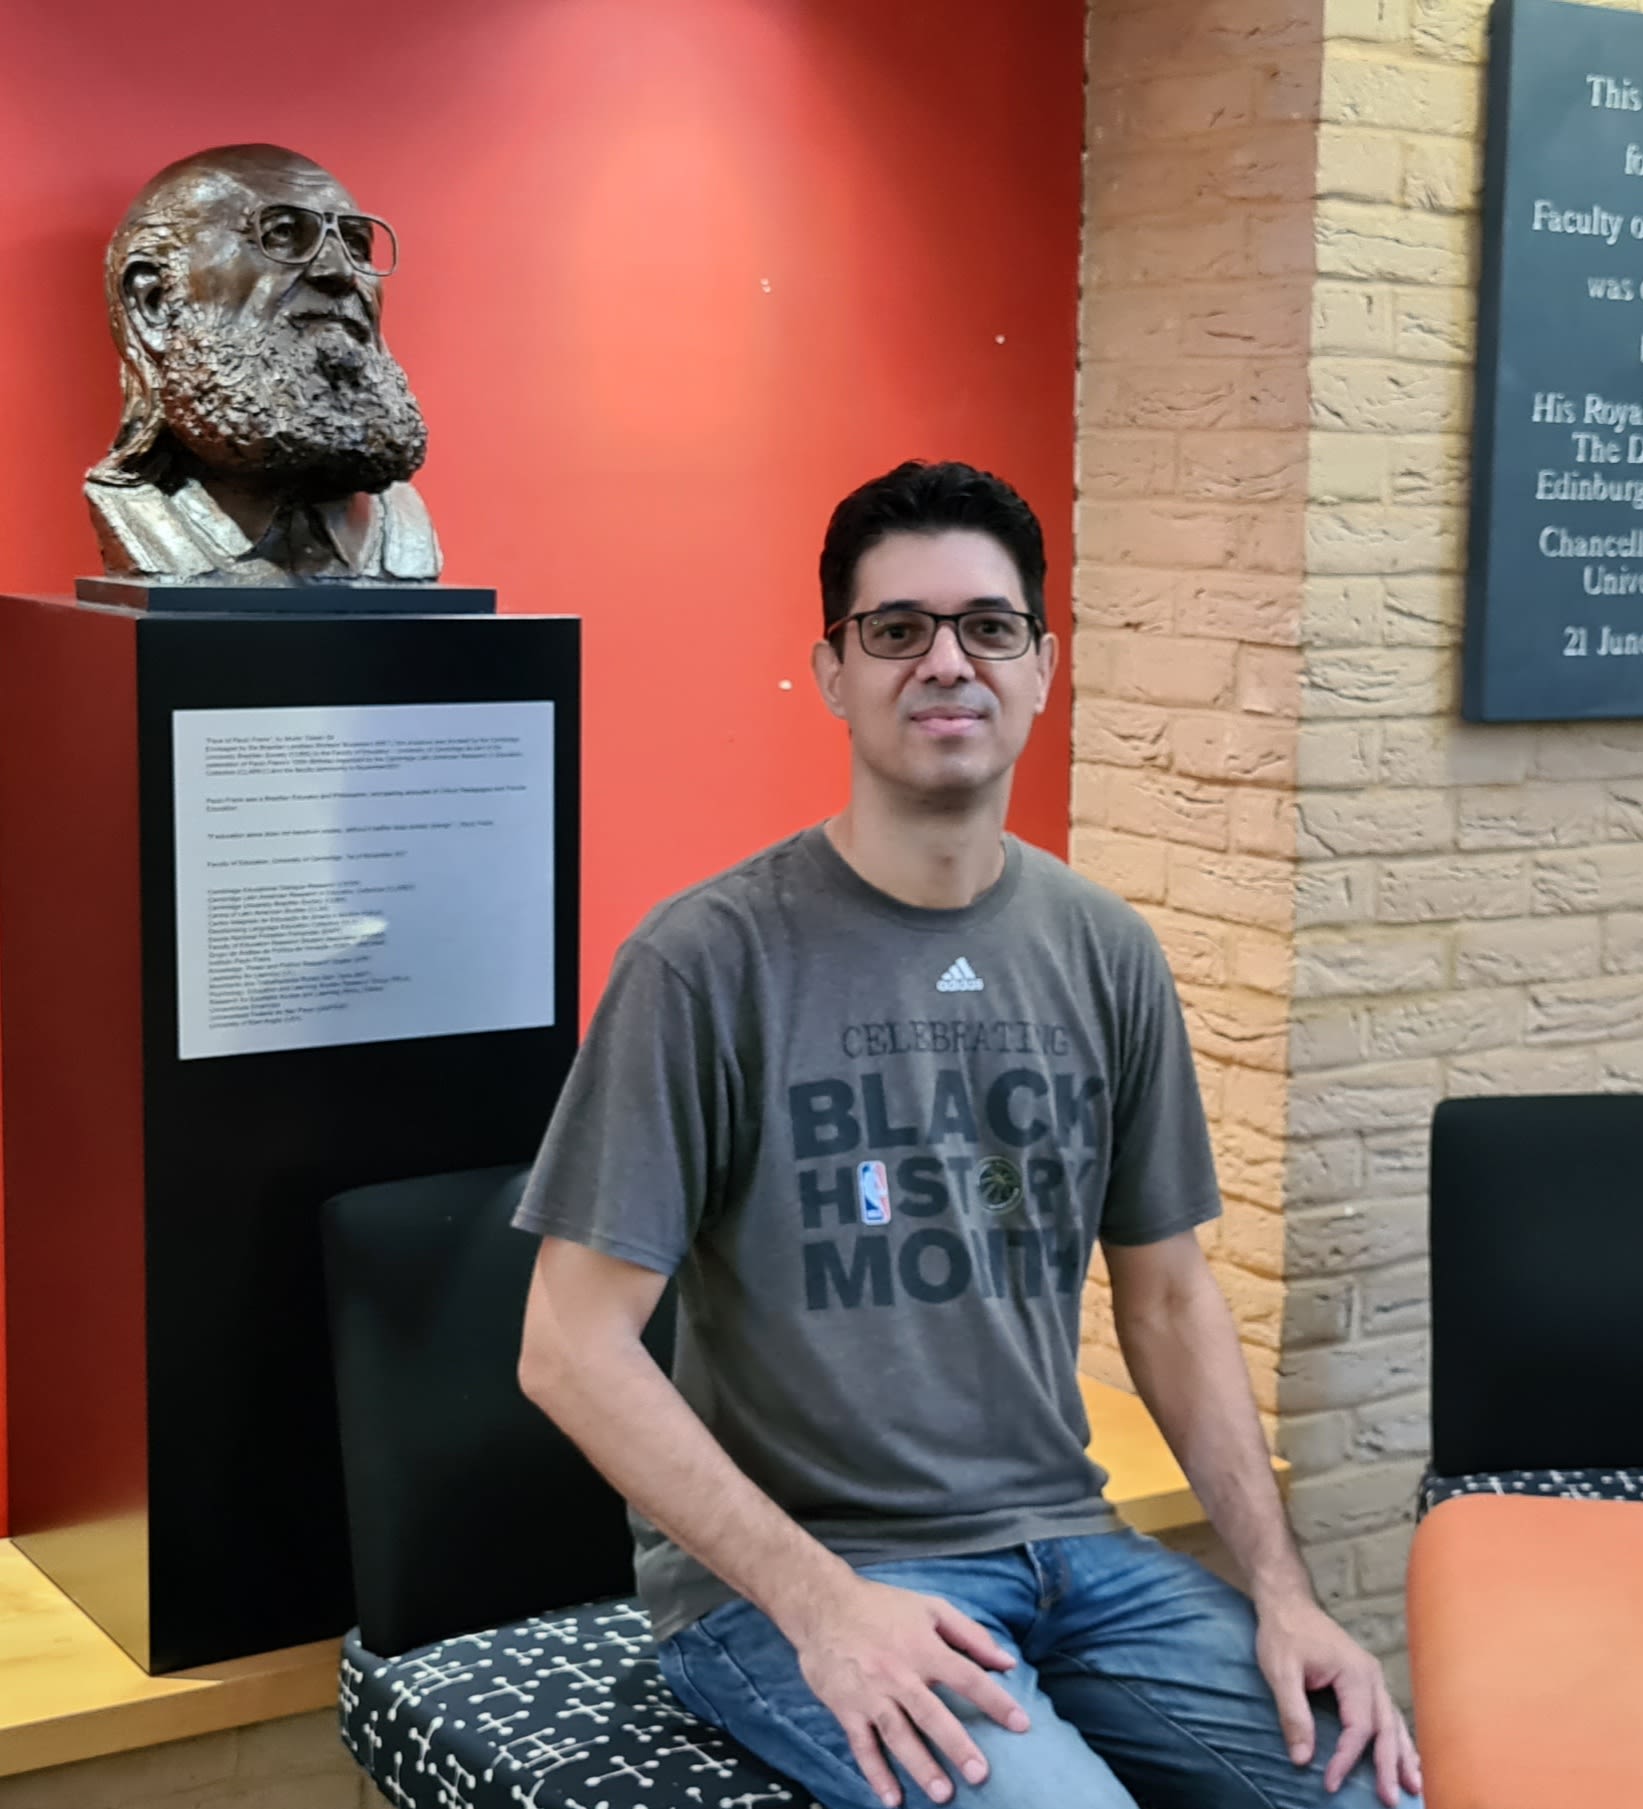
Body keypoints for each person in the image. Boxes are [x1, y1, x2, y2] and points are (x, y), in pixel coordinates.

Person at [516, 460, 1422, 1809]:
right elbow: (569, 1350)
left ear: (1041, 667)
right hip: (802, 1583)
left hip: (1075, 1552)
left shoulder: (1103, 951)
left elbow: (1169, 1298)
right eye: (896, 629)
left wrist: (1284, 1594)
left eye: (988, 627)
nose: (946, 661)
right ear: (832, 673)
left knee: (1370, 1792)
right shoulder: (705, 962)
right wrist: (824, 1607)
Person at [86, 143, 438, 585]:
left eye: (355, 244)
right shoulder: (141, 521)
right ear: (154, 302)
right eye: (282, 235)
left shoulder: (403, 533)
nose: (340, 271)